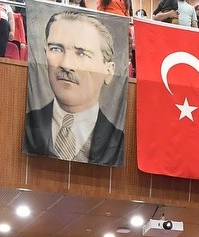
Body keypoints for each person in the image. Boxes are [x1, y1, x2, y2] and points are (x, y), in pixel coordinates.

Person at [23, 9, 126, 165]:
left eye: (82, 53)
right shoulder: (28, 124)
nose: (66, 64)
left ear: (108, 71)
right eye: (56, 49)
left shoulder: (119, 140)